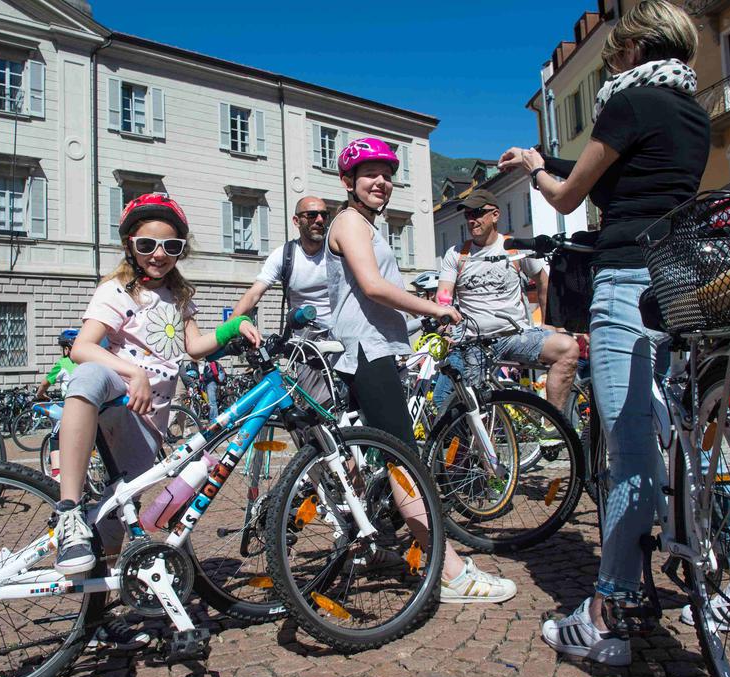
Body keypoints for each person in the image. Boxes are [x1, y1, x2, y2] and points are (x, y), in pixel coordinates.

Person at [499, 0, 709, 664]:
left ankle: (606, 613)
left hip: (627, 279)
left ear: (637, 48)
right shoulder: (691, 114)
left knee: (631, 455)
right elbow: (625, 168)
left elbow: (565, 198)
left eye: (616, 52)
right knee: (697, 436)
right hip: (684, 279)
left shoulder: (629, 102)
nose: (612, 61)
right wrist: (560, 158)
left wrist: (535, 165)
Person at [327, 137, 517, 604]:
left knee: (371, 458)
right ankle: (449, 572)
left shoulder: (367, 225)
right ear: (347, 181)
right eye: (369, 174)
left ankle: (372, 544)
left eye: (387, 174)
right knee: (404, 460)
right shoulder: (350, 222)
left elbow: (372, 295)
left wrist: (418, 315)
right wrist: (434, 308)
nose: (381, 182)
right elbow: (372, 288)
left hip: (370, 350)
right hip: (365, 354)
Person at [53, 193, 262, 576]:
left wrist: (235, 325)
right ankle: (67, 511)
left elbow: (195, 347)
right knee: (88, 374)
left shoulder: (179, 296)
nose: (159, 254)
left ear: (181, 250)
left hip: (149, 424)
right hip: (116, 399)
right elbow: (82, 348)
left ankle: (99, 599)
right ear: (130, 245)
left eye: (171, 246)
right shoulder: (116, 290)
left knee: (115, 515)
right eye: (147, 244)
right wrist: (133, 373)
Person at [436, 188, 580, 411]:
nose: (472, 220)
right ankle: (481, 444)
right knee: (470, 406)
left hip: (515, 335)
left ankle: (552, 427)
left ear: (495, 215)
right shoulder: (456, 254)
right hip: (474, 340)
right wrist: (445, 326)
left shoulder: (513, 248)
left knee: (568, 349)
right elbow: (444, 296)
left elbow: (544, 281)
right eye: (468, 215)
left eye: (477, 213)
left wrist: (550, 323)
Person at [233, 195, 339, 406]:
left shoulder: (337, 250)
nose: (319, 220)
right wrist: (233, 323)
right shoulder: (285, 255)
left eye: (324, 215)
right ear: (296, 221)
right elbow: (255, 293)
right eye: (311, 215)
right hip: (306, 343)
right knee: (318, 409)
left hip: (343, 334)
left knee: (357, 405)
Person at [36, 329, 81, 479]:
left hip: (72, 406)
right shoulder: (89, 362)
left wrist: (40, 395)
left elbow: (45, 383)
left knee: (56, 436)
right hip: (93, 406)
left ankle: (57, 473)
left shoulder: (63, 363)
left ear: (67, 349)